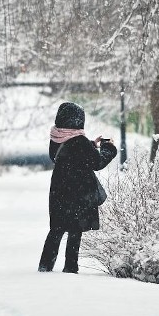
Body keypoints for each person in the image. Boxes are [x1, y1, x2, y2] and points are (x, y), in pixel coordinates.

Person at [38, 102, 117, 273]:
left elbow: (71, 151)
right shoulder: (79, 141)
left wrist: (91, 145)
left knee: (56, 230)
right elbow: (97, 162)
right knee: (75, 230)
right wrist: (108, 148)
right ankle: (70, 267)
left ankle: (45, 266)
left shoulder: (56, 137)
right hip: (78, 192)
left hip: (59, 191)